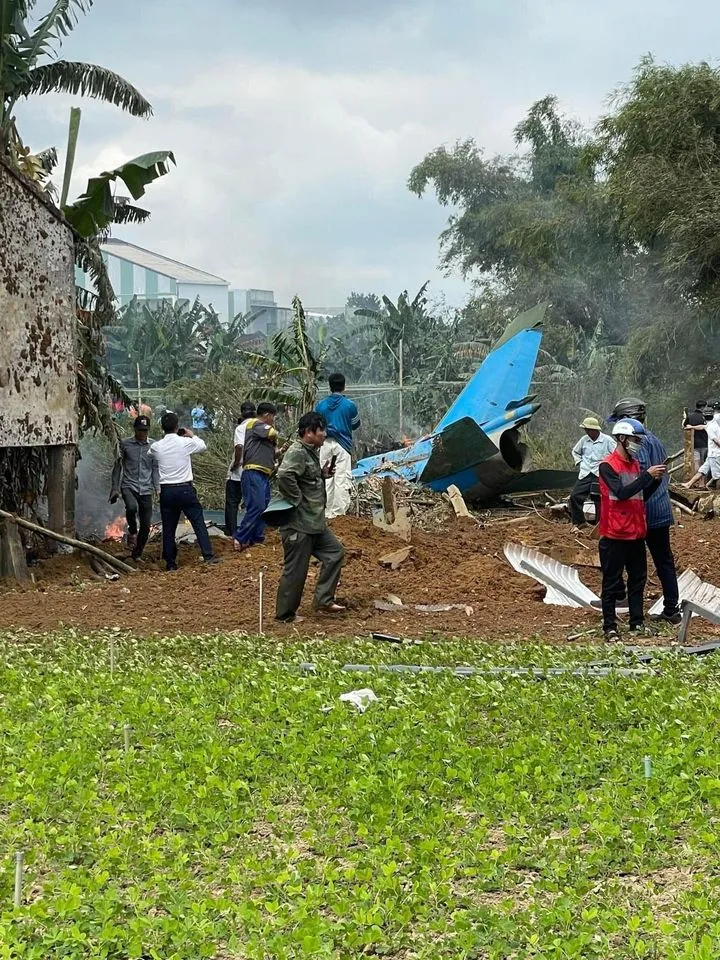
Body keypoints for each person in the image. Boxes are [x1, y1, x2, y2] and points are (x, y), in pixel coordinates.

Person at [611, 397, 681, 625]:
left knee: (629, 560)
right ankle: (672, 608)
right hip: (660, 507)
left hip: (644, 511)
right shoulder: (655, 440)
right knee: (664, 561)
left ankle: (628, 604)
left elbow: (638, 479)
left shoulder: (637, 444)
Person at [598, 419, 666, 641]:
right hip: (615, 535)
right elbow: (621, 493)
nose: (638, 444)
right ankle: (609, 627)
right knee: (611, 581)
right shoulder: (607, 466)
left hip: (636, 532)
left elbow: (640, 496)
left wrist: (655, 480)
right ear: (622, 439)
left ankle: (636, 622)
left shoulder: (636, 465)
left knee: (638, 580)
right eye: (635, 440)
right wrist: (647, 477)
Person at [275, 412, 346, 622]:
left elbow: (303, 477)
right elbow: (284, 475)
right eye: (321, 430)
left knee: (335, 553)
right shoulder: (297, 451)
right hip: (299, 525)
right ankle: (285, 615)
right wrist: (297, 500)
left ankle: (323, 600)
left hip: (314, 523)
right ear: (308, 433)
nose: (324, 434)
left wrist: (321, 475)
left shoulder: (311, 451)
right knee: (296, 571)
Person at [149, 412, 219, 571]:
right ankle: (208, 555)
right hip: (185, 489)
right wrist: (191, 435)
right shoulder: (185, 443)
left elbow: (150, 453)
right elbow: (202, 445)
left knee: (169, 527)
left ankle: (170, 563)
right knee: (198, 521)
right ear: (177, 426)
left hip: (167, 491)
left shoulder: (156, 446)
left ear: (162, 427)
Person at [109, 415, 159, 561]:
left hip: (146, 488)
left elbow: (155, 469)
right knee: (131, 508)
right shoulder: (125, 444)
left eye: (145, 431)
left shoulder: (153, 446)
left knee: (146, 524)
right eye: (140, 430)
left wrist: (157, 487)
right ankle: (132, 530)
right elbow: (117, 467)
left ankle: (137, 553)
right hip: (128, 485)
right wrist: (115, 488)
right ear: (135, 429)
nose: (142, 434)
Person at [233, 401, 278, 551]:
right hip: (253, 473)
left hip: (262, 474)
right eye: (273, 417)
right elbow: (272, 433)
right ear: (267, 415)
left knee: (263, 507)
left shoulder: (260, 434)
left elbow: (271, 452)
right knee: (257, 506)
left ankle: (256, 538)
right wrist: (274, 435)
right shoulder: (255, 424)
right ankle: (240, 537)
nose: (273, 421)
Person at [316, 372, 361, 518]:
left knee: (326, 478)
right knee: (341, 479)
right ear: (344, 386)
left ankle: (326, 512)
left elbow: (316, 425)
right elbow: (355, 425)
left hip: (324, 443)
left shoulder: (320, 406)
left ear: (329, 386)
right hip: (343, 445)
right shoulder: (350, 405)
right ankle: (339, 514)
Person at [569, 416, 614, 527]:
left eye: (589, 430)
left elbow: (615, 455)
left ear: (595, 430)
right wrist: (579, 462)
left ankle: (600, 526)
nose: (587, 432)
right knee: (575, 496)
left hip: (599, 474)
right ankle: (579, 522)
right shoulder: (584, 440)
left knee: (599, 500)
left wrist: (607, 466)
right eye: (586, 430)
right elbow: (575, 452)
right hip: (586, 473)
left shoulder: (607, 440)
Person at [224, 401, 256, 537]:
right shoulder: (261, 427)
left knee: (232, 502)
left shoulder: (241, 428)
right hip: (255, 470)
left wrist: (236, 463)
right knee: (252, 502)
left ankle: (232, 532)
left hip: (239, 472)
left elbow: (239, 447)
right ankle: (251, 530)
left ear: (242, 413)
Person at [683, 402, 720, 489]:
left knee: (717, 476)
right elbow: (701, 427)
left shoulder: (710, 428)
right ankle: (688, 484)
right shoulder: (712, 424)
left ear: (704, 417)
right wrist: (692, 427)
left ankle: (717, 495)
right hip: (711, 454)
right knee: (702, 470)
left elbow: (717, 441)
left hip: (715, 454)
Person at [684, 400, 708, 472]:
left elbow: (685, 426)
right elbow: (706, 427)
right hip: (705, 443)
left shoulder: (690, 417)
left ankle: (697, 482)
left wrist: (691, 426)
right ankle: (703, 482)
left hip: (694, 443)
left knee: (696, 462)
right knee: (704, 463)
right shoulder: (705, 417)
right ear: (703, 407)